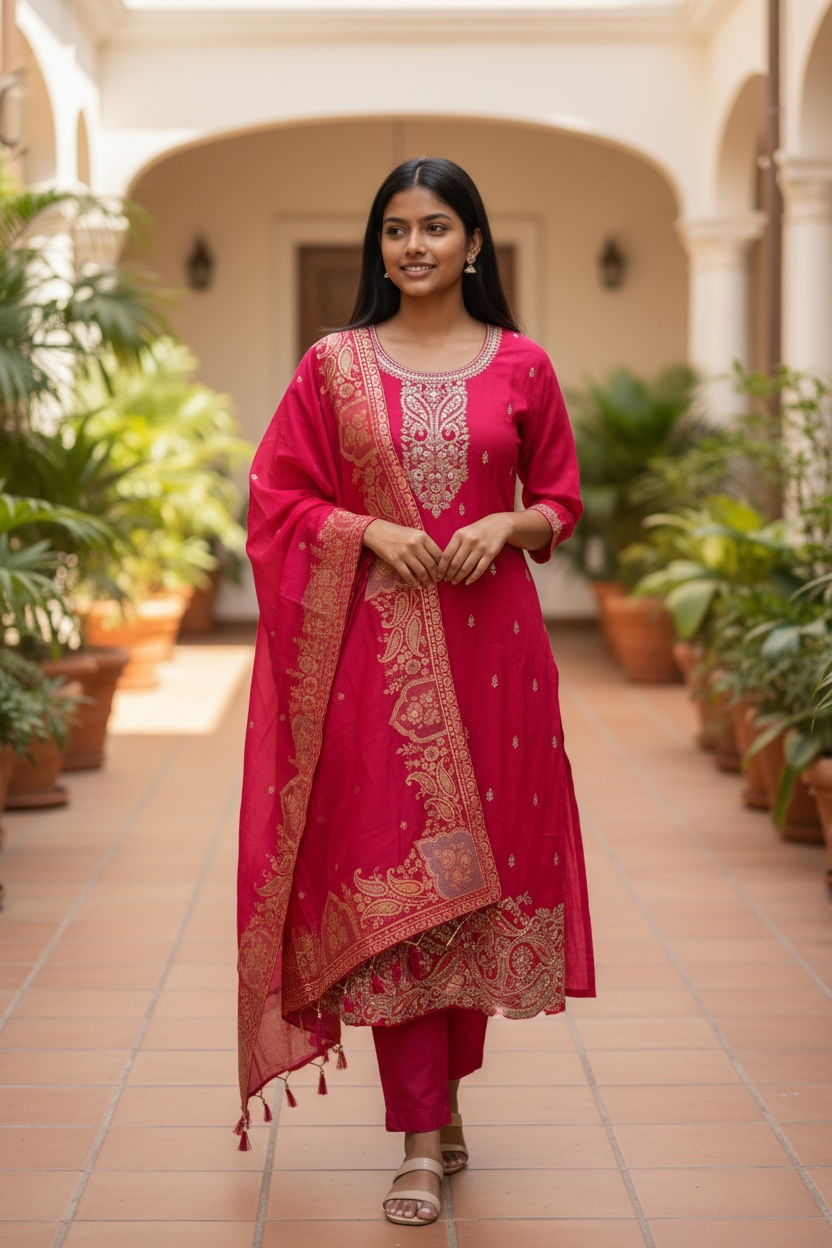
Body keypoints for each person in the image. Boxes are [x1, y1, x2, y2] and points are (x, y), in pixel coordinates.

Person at [237, 156, 595, 1226]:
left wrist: (512, 522)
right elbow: (276, 497)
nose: (415, 246)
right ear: (377, 246)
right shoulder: (332, 365)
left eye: (437, 227)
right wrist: (370, 530)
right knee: (403, 896)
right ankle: (417, 1144)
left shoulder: (523, 366)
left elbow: (564, 500)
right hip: (374, 675)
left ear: (474, 244)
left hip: (499, 667)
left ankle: (437, 1109)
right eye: (396, 229)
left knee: (475, 892)